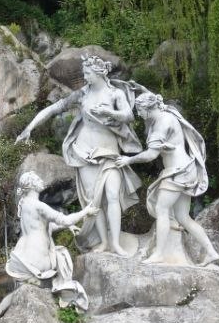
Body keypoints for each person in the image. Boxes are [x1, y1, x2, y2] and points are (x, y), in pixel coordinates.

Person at [15, 55, 142, 255]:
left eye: (87, 73)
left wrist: (111, 113)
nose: (85, 77)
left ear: (99, 73)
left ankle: (116, 243)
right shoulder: (82, 94)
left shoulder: (115, 94)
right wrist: (29, 127)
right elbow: (53, 108)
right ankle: (102, 243)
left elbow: (129, 115)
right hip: (84, 153)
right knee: (94, 200)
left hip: (109, 153)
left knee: (112, 195)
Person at [116, 92, 218, 264]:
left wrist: (129, 159)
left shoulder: (162, 123)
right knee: (183, 217)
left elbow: (150, 155)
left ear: (148, 108)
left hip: (178, 172)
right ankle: (211, 251)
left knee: (161, 209)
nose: (138, 114)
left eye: (139, 110)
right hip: (185, 170)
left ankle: (160, 254)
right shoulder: (168, 114)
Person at [0, 172, 96, 323]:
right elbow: (63, 219)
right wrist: (85, 212)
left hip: (24, 256)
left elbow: (42, 226)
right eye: (37, 178)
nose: (41, 179)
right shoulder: (38, 205)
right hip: (38, 259)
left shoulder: (24, 204)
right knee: (62, 254)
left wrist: (69, 226)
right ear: (31, 185)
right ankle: (66, 301)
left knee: (19, 291)